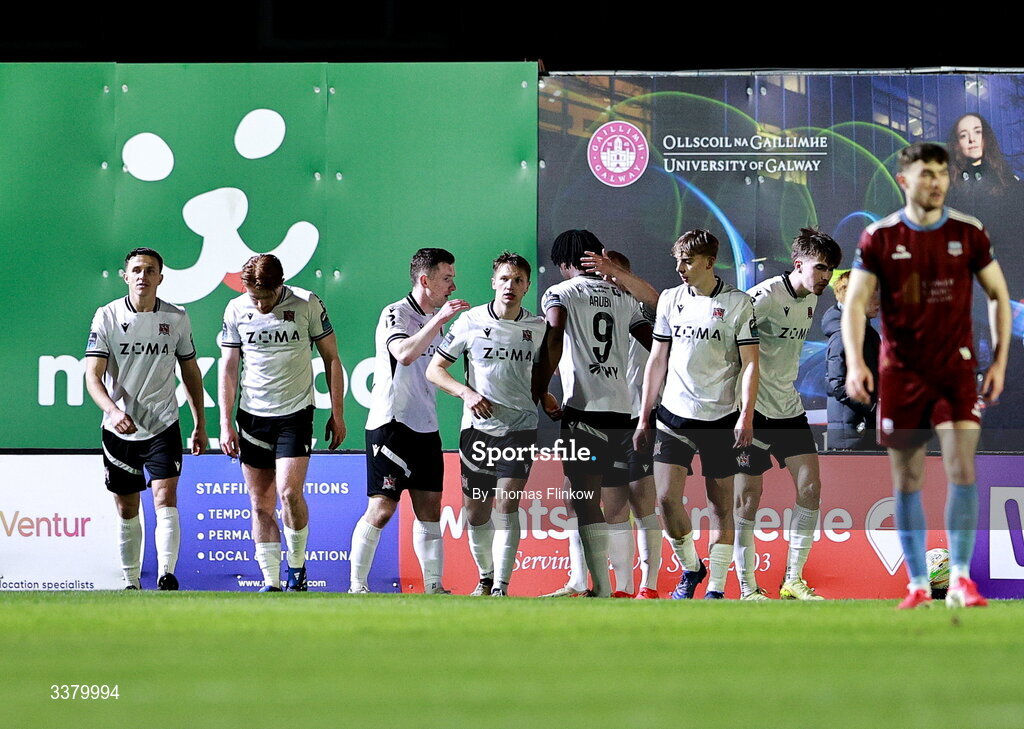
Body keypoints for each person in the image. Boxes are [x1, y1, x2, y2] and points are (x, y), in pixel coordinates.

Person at [843, 142, 1011, 609]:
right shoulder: (879, 236)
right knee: (907, 479)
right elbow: (855, 303)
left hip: (956, 370)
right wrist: (857, 362)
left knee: (961, 469)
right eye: (925, 173)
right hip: (901, 374)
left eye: (942, 172)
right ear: (904, 180)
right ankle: (919, 581)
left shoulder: (969, 232)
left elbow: (998, 294)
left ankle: (959, 577)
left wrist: (997, 361)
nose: (935, 181)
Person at [635, 229, 759, 600]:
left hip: (721, 418)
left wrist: (746, 416)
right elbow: (657, 359)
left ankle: (717, 589)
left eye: (687, 261)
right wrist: (644, 416)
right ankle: (692, 567)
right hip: (673, 417)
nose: (680, 268)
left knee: (721, 506)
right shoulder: (671, 300)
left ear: (709, 262)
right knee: (666, 500)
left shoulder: (738, 303)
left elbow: (751, 364)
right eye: (677, 260)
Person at [218, 254, 346, 592]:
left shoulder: (306, 303)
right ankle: (271, 582)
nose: (260, 305)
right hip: (251, 417)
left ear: (280, 285)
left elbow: (331, 358)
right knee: (260, 505)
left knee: (289, 494)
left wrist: (338, 412)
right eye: (254, 297)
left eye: (267, 297)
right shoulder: (235, 310)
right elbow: (229, 367)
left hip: (295, 414)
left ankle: (297, 568)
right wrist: (224, 423)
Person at [85, 247, 208, 590]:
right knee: (127, 508)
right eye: (136, 270)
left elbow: (190, 371)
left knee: (165, 498)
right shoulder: (107, 317)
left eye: (149, 270)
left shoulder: (177, 318)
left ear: (160, 278)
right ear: (126, 276)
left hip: (163, 423)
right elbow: (92, 376)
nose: (142, 276)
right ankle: (130, 581)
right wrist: (112, 410)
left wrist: (200, 423)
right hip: (119, 428)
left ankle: (167, 575)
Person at [349, 248, 470, 594]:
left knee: (430, 509)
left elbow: (434, 370)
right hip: (392, 423)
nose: (452, 285)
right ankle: (357, 586)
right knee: (383, 507)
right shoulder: (396, 313)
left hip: (426, 427)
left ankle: (434, 586)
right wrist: (438, 320)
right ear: (424, 280)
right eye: (446, 278)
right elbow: (403, 354)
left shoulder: (439, 320)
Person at [538, 229, 652, 598]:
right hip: (621, 412)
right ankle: (614, 586)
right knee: (613, 505)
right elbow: (653, 340)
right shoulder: (623, 296)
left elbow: (554, 335)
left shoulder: (560, 293)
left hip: (584, 411)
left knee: (583, 500)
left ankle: (600, 588)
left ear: (564, 263)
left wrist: (540, 390)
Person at [425, 251, 547, 597]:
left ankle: (502, 588)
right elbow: (434, 370)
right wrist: (465, 393)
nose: (510, 285)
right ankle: (486, 577)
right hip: (478, 430)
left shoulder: (536, 328)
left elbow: (542, 372)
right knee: (475, 513)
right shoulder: (469, 322)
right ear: (494, 283)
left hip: (520, 428)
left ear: (527, 286)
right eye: (505, 279)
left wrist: (545, 397)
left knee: (507, 504)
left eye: (518, 280)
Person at [732, 228, 841, 601]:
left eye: (831, 270)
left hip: (789, 409)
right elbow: (730, 344)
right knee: (749, 495)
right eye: (821, 268)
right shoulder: (760, 298)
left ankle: (792, 579)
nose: (826, 277)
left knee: (811, 488)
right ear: (799, 264)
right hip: (755, 411)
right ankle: (748, 586)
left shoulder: (811, 300)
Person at [824, 271, 881, 450]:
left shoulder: (869, 334)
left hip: (866, 430)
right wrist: (872, 409)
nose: (878, 302)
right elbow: (836, 385)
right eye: (872, 296)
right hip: (850, 436)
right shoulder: (842, 336)